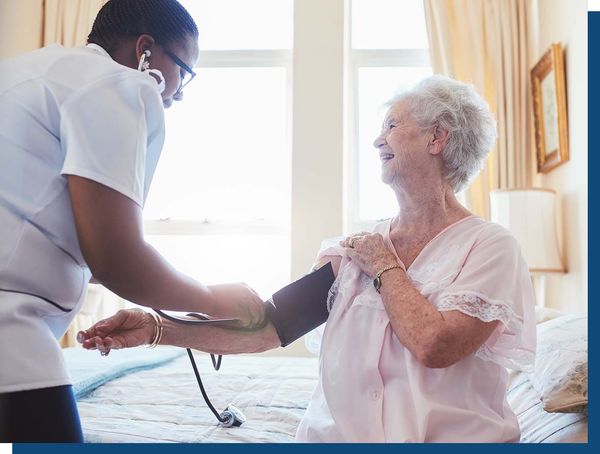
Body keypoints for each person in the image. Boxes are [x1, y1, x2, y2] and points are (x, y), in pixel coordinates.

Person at [78, 75, 536, 442]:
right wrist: (157, 330)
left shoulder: (490, 247)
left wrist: (384, 266)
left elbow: (436, 345)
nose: (378, 140)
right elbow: (269, 328)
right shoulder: (354, 249)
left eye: (392, 126)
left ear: (437, 137)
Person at [0, 0, 264, 443]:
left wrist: (152, 320)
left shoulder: (28, 73)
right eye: (185, 72)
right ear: (145, 52)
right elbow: (116, 259)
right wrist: (214, 300)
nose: (179, 94)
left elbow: (39, 226)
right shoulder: (118, 84)